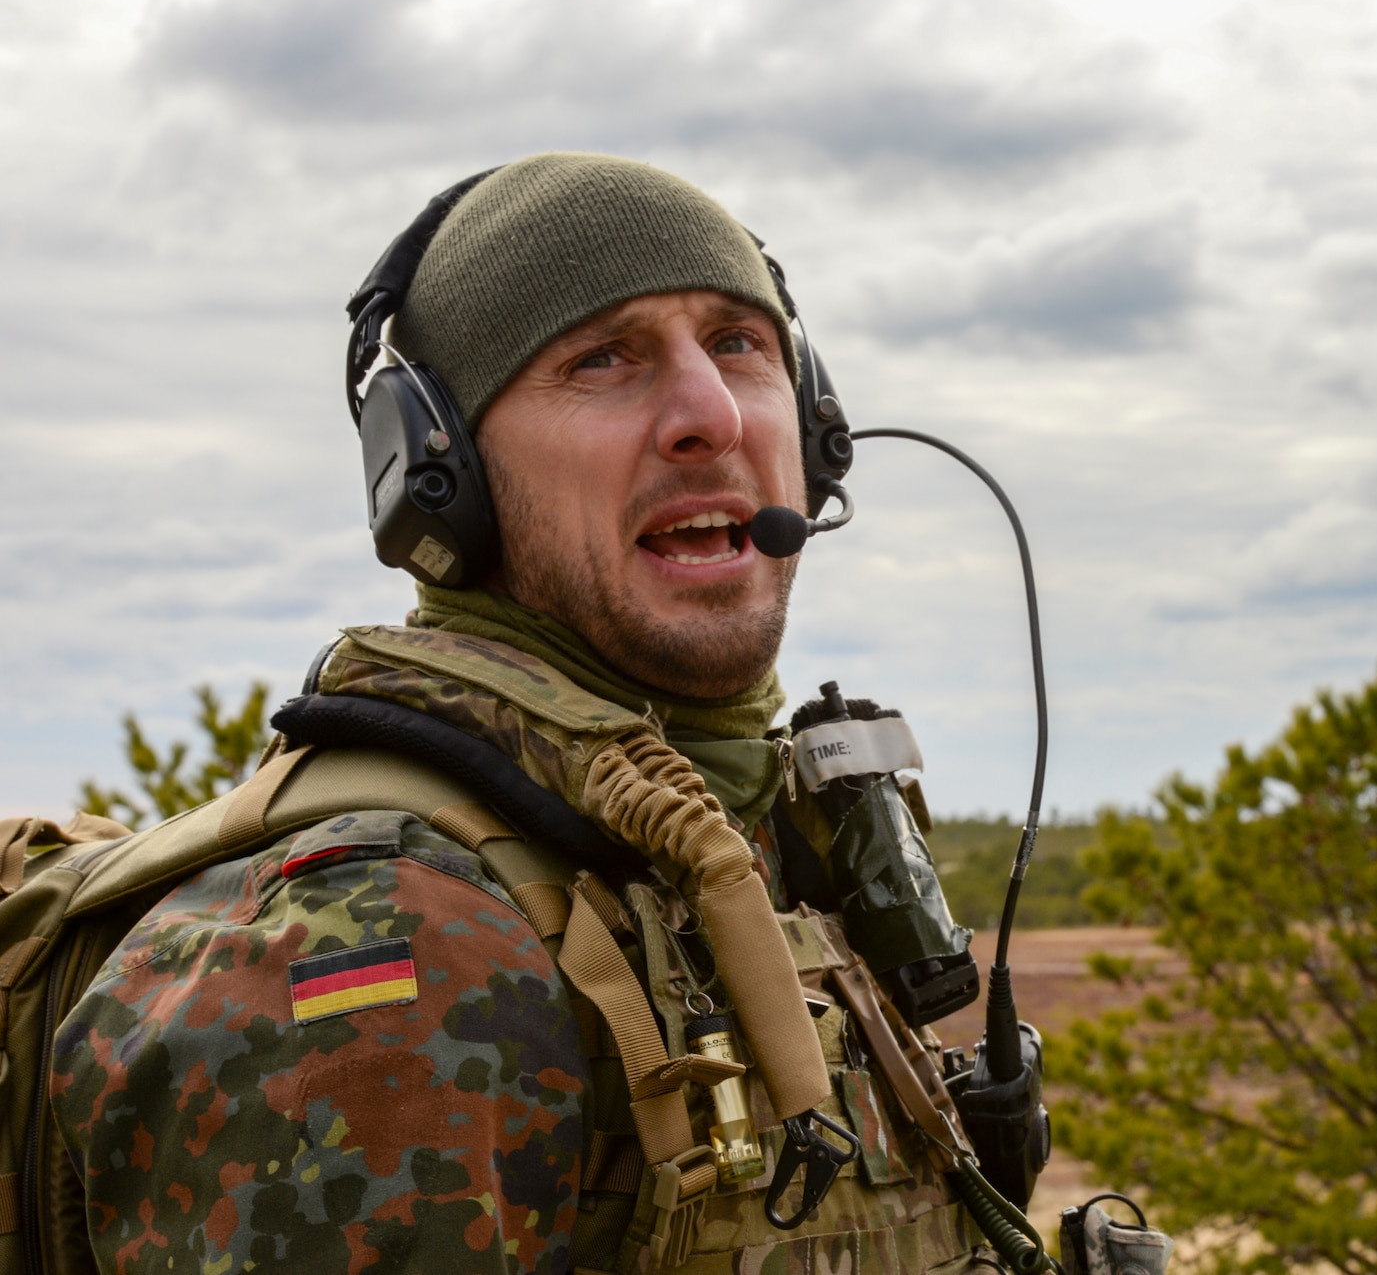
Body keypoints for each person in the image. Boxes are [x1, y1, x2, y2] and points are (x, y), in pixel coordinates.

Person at [48, 153, 982, 1275]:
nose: (710, 414)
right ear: (440, 471)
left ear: (819, 426)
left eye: (740, 343)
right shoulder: (386, 933)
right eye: (602, 359)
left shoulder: (756, 842)